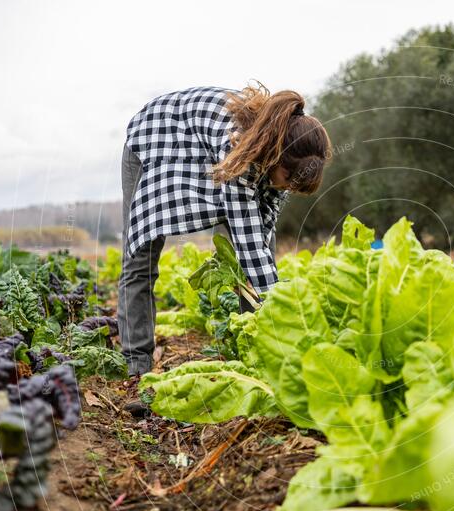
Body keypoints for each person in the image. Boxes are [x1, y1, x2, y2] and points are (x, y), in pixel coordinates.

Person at [118, 84, 332, 377]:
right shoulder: (239, 145)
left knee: (256, 251)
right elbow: (250, 247)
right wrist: (284, 321)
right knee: (141, 257)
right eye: (287, 180)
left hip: (200, 145)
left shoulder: (283, 153)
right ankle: (136, 366)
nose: (285, 188)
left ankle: (257, 355)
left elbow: (261, 236)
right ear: (277, 156)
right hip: (155, 137)